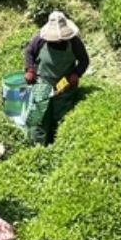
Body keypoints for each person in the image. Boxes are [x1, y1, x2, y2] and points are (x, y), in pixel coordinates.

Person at [22, 10, 89, 145]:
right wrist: (30, 70)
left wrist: (76, 74)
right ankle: (38, 148)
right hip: (42, 83)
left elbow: (84, 60)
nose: (58, 40)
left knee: (60, 117)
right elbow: (29, 52)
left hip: (64, 85)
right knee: (39, 118)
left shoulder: (74, 42)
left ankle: (57, 145)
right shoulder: (40, 40)